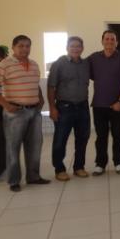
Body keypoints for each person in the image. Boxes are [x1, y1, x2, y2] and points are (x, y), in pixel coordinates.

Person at [0, 35, 50, 191]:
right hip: (15, 112)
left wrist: (40, 100)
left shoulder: (34, 65)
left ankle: (33, 177)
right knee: (13, 148)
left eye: (27, 46)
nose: (24, 49)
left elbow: (35, 84)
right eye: (21, 46)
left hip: (34, 111)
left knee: (35, 146)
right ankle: (14, 181)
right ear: (13, 47)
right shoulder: (4, 64)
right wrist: (5, 105)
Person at [88, 30, 120, 176]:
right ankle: (100, 164)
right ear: (102, 41)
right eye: (107, 39)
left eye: (112, 39)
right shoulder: (93, 58)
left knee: (118, 135)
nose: (109, 42)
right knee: (101, 136)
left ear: (116, 42)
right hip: (99, 105)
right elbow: (85, 72)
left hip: (117, 105)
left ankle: (119, 162)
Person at [47, 36, 91, 181]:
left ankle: (79, 167)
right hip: (64, 107)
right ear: (67, 48)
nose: (75, 49)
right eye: (72, 46)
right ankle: (59, 169)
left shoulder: (86, 64)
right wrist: (52, 108)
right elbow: (51, 87)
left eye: (78, 46)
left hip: (83, 106)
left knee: (83, 138)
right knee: (60, 139)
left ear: (82, 48)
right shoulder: (59, 64)